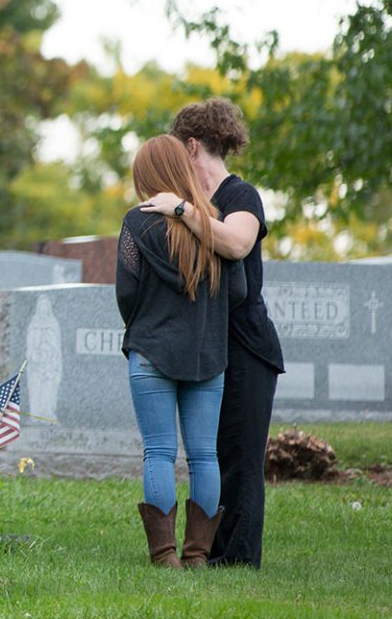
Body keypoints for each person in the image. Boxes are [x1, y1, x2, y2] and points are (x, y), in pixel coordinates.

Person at [139, 98, 281, 568]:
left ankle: (237, 559)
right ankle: (208, 552)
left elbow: (238, 243)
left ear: (193, 146)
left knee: (240, 456)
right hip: (205, 344)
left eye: (181, 155)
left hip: (246, 345)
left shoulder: (241, 197)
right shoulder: (194, 206)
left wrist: (181, 209)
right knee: (212, 453)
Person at [117, 135, 245, 568]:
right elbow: (239, 290)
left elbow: (126, 292)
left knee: (158, 451)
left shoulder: (136, 224)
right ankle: (197, 556)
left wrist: (145, 322)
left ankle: (163, 555)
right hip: (207, 356)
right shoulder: (213, 222)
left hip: (151, 352)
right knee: (204, 454)